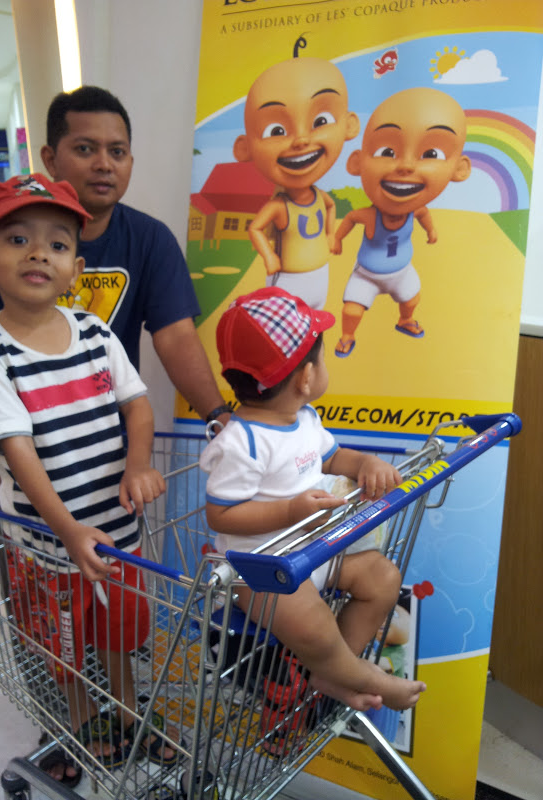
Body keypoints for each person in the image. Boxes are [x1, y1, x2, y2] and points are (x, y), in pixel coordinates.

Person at [0, 173, 176, 784]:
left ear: (76, 268)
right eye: (17, 239)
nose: (38, 253)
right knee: (64, 648)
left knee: (117, 634)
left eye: (57, 244)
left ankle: (129, 713)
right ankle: (85, 722)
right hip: (47, 546)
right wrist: (68, 529)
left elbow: (137, 406)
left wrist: (139, 463)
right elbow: (18, 451)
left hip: (117, 533)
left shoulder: (95, 333)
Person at [0, 86, 231, 495]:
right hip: (21, 449)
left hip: (106, 446)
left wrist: (218, 417)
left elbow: (176, 336)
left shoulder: (150, 240)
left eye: (117, 152)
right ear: (49, 158)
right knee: (28, 533)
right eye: (85, 149)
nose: (104, 164)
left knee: (111, 533)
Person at [200, 286, 427, 713]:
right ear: (306, 377)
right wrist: (290, 510)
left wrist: (365, 463)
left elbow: (333, 457)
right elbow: (221, 514)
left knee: (383, 578)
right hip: (261, 573)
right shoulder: (241, 442)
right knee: (314, 626)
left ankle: (333, 672)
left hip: (315, 554)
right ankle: (361, 675)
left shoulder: (304, 420)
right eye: (321, 359)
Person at [332, 88, 471, 357]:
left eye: (430, 154)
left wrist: (431, 229)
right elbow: (350, 218)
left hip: (402, 272)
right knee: (352, 309)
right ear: (357, 163)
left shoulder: (415, 210)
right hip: (367, 275)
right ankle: (347, 336)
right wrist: (337, 238)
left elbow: (424, 214)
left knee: (412, 299)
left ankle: (405, 320)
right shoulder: (369, 215)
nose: (406, 166)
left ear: (459, 169)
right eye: (387, 151)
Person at [233, 53, 359, 309]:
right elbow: (255, 229)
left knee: (316, 326)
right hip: (288, 281)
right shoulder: (279, 206)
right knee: (286, 332)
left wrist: (330, 235)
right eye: (276, 131)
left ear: (349, 126)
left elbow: (330, 206)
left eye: (320, 121)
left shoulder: (320, 196)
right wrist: (269, 256)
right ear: (245, 148)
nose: (301, 140)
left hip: (320, 276)